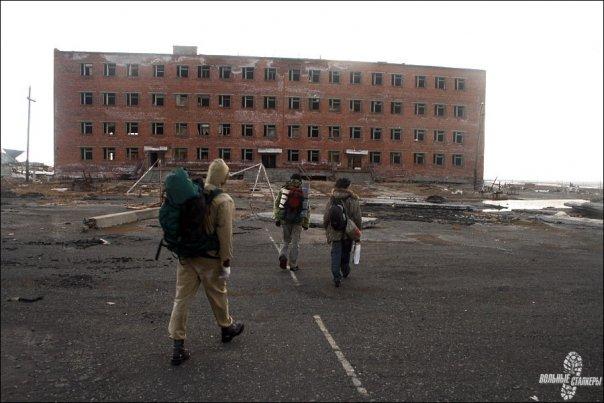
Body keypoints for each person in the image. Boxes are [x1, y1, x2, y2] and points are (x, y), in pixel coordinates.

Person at [167, 159, 244, 365]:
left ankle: (177, 346)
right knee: (218, 295)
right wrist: (226, 262)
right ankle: (226, 328)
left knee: (181, 299)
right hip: (209, 258)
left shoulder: (193, 192)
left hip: (186, 256)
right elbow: (225, 236)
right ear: (224, 177)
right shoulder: (224, 201)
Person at [322, 177, 362, 287]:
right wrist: (358, 231)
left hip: (334, 230)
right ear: (347, 187)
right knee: (346, 252)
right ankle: (345, 270)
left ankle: (336, 276)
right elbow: (357, 217)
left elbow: (326, 216)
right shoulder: (353, 199)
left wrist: (326, 228)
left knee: (335, 253)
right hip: (348, 231)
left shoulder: (332, 198)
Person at [273, 173, 310, 272]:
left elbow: (277, 204)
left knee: (285, 240)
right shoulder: (304, 191)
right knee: (295, 243)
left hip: (285, 219)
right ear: (300, 181)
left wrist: (277, 218)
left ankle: (282, 255)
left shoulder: (284, 189)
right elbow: (307, 208)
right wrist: (306, 223)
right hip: (298, 221)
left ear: (290, 180)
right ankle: (293, 265)